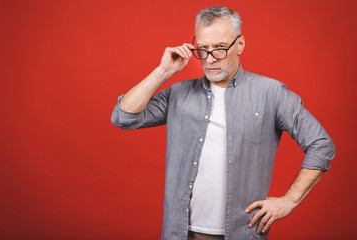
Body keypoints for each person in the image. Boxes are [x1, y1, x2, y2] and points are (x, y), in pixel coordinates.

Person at [111, 6, 336, 240]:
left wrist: (290, 201)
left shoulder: (271, 93)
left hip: (242, 233)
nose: (209, 59)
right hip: (180, 233)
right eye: (203, 49)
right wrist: (162, 71)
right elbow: (124, 117)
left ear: (240, 44)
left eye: (219, 48)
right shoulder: (179, 94)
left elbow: (321, 145)